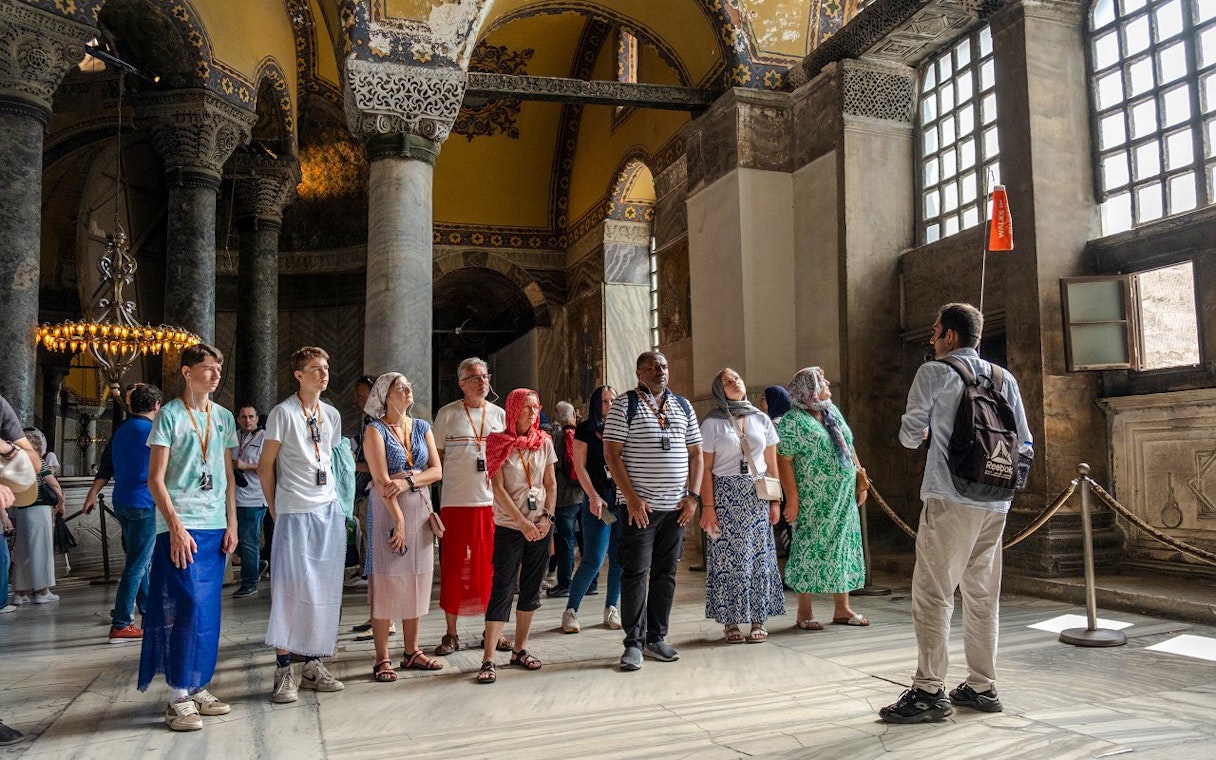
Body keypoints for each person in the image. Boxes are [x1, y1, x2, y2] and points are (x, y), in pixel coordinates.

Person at [880, 303, 1030, 724]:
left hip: (950, 498)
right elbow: (1026, 445)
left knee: (933, 593)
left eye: (934, 331)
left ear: (949, 336)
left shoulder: (933, 372)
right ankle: (982, 686)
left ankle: (929, 691)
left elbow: (910, 437)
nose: (931, 338)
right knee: (982, 595)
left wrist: (925, 431)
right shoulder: (1005, 379)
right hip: (996, 500)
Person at [139, 343, 238, 732]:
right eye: (207, 368)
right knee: (188, 604)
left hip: (215, 525)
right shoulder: (169, 416)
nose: (215, 374)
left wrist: (231, 522)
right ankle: (177, 695)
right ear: (186, 371)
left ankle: (198, 686)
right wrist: (176, 527)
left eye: (218, 367)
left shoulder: (224, 417)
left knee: (209, 608)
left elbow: (229, 476)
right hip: (180, 525)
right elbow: (155, 479)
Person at [604, 351, 703, 671]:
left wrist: (693, 495)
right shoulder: (625, 404)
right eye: (652, 367)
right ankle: (633, 642)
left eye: (663, 366)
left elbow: (696, 454)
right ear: (639, 372)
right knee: (635, 572)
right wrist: (631, 498)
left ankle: (656, 637)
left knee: (666, 573)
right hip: (640, 508)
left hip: (675, 507)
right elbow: (612, 454)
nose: (660, 371)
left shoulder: (683, 405)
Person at [258, 347, 347, 704]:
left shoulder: (331, 414)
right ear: (298, 375)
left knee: (322, 590)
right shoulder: (283, 413)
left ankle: (312, 663)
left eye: (325, 367)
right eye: (315, 368)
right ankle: (283, 669)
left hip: (327, 508)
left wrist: (337, 503)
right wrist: (276, 509)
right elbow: (266, 467)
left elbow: (329, 460)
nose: (323, 373)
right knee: (289, 588)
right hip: (293, 511)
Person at [361, 373, 444, 681]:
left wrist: (410, 480)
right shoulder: (375, 431)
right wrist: (398, 520)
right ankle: (382, 657)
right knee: (387, 581)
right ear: (386, 396)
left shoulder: (422, 427)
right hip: (387, 510)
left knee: (417, 580)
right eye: (401, 387)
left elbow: (436, 470)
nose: (409, 389)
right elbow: (382, 480)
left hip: (420, 507)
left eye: (409, 385)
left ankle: (412, 651)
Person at [776, 367, 869, 632]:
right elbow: (784, 459)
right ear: (808, 389)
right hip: (813, 497)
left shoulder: (830, 411)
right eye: (821, 381)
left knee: (844, 545)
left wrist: (859, 479)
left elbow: (849, 445)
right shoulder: (793, 420)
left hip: (842, 497)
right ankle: (804, 611)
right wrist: (791, 498)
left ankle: (843, 608)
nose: (827, 383)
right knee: (809, 546)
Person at [475, 389, 555, 684]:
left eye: (536, 407)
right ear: (512, 410)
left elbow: (551, 483)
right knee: (503, 588)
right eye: (526, 408)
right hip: (511, 526)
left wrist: (547, 516)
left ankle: (520, 649)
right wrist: (522, 522)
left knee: (532, 587)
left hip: (541, 525)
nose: (533, 413)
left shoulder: (544, 442)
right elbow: (498, 489)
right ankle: (488, 658)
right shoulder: (498, 443)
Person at [699, 369, 784, 644]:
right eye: (727, 381)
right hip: (724, 496)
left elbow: (771, 464)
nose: (734, 383)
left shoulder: (761, 419)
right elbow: (706, 468)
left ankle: (759, 618)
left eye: (737, 378)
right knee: (728, 560)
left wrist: (775, 501)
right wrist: (708, 506)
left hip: (756, 494)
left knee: (759, 557)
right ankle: (731, 621)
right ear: (718, 389)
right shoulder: (712, 423)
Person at [430, 357, 508, 656]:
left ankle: (494, 631)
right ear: (462, 383)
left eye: (485, 376)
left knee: (491, 569)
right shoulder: (447, 414)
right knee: (453, 569)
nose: (482, 381)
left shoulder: (499, 415)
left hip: (491, 503)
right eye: (475, 377)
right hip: (456, 503)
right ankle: (451, 633)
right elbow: (435, 459)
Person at [83, 383, 164, 641]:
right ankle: (121, 621)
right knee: (137, 565)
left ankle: (150, 611)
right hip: (145, 502)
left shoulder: (121, 430)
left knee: (137, 561)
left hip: (123, 501)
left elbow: (106, 467)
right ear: (156, 406)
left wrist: (91, 494)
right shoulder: (154, 431)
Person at [562, 385, 621, 633]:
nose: (608, 405)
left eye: (612, 401)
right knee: (594, 559)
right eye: (604, 401)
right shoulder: (585, 429)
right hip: (598, 499)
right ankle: (571, 610)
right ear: (596, 404)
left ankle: (611, 608)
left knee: (618, 559)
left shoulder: (622, 427)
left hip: (621, 498)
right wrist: (593, 496)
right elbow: (580, 466)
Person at [9, 427, 64, 605]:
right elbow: (51, 481)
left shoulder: (15, 462)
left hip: (22, 508)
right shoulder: (37, 461)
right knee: (42, 548)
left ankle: (19, 592)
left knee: (22, 550)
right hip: (39, 508)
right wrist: (61, 498)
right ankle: (42, 590)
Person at [547, 400, 583, 598]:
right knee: (584, 539)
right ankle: (592, 582)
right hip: (582, 494)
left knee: (566, 541)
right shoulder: (581, 433)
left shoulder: (559, 436)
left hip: (564, 498)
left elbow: (555, 464)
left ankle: (565, 584)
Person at [231, 404, 267, 598]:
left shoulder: (264, 438)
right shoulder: (234, 436)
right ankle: (257, 564)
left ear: (257, 419)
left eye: (251, 417)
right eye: (243, 417)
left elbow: (271, 464)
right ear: (238, 419)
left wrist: (247, 465)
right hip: (233, 496)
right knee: (235, 541)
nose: (247, 420)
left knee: (248, 540)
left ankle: (250, 582)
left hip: (254, 497)